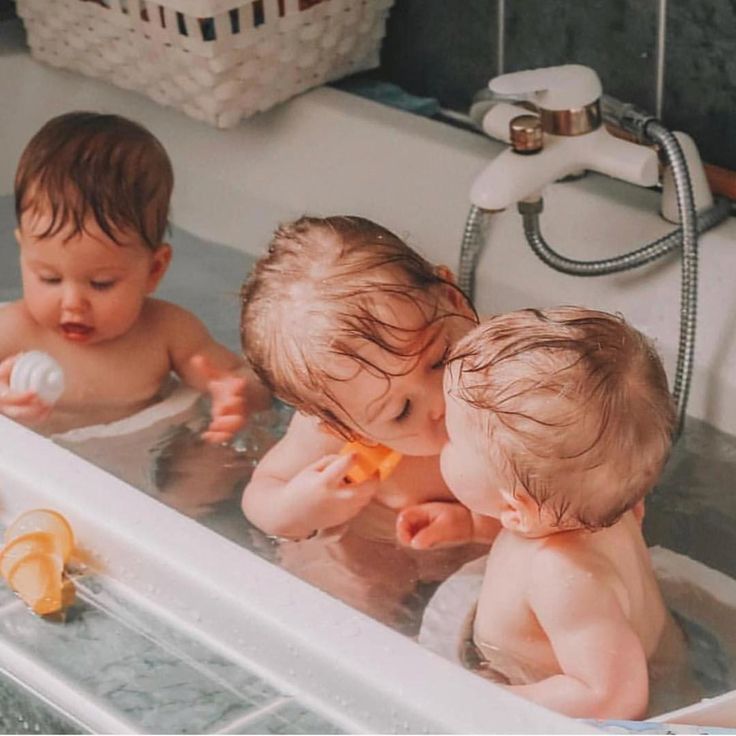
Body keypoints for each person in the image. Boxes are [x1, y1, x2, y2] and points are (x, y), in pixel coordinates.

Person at [402, 306, 679, 718]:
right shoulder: (599, 504)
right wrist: (469, 524)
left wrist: (485, 701)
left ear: (516, 510)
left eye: (452, 437)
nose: (440, 431)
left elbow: (612, 696)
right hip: (663, 652)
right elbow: (534, 530)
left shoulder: (561, 576)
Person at [239, 215, 497, 628]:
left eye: (442, 359)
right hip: (374, 550)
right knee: (337, 603)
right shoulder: (326, 437)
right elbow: (261, 494)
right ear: (344, 428)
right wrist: (299, 509)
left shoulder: (518, 381)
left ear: (455, 301)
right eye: (400, 411)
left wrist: (478, 526)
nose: (442, 399)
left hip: (485, 552)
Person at [0, 111, 269, 441]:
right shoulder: (14, 329)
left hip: (140, 455)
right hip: (39, 469)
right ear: (23, 253)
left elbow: (237, 377)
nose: (72, 303)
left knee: (200, 474)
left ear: (154, 270)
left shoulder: (168, 332)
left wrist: (238, 398)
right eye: (48, 278)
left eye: (101, 283)